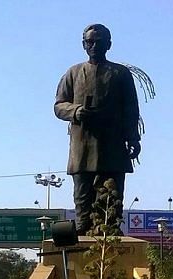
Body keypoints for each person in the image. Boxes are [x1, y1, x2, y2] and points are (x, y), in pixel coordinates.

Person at [55, 24, 141, 235]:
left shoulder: (121, 74)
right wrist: (75, 111)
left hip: (112, 144)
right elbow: (59, 105)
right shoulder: (73, 73)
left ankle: (110, 231)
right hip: (82, 144)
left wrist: (133, 138)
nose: (94, 46)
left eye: (99, 42)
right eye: (90, 42)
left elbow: (131, 109)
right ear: (84, 45)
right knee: (82, 197)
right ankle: (84, 228)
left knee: (112, 198)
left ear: (108, 44)